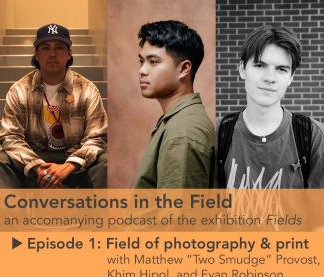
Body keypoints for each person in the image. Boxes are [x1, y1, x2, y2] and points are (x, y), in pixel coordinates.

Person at [0, 23, 107, 188]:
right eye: (45, 48)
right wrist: (38, 167)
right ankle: (9, 213)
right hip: (34, 156)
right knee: (1, 159)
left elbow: (97, 137)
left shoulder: (87, 90)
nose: (52, 54)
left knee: (107, 161)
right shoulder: (19, 90)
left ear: (69, 54)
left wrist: (68, 166)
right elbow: (10, 136)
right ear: (36, 54)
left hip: (73, 158)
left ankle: (99, 213)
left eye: (59, 47)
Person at [215, 25, 324, 189]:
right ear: (242, 69)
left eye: (281, 69)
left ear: (291, 77)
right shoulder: (216, 133)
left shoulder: (314, 136)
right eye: (260, 65)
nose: (270, 78)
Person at [134, 20, 215, 188]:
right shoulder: (176, 121)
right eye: (141, 61)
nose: (142, 70)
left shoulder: (183, 132)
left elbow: (177, 213)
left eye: (153, 61)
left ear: (184, 69)